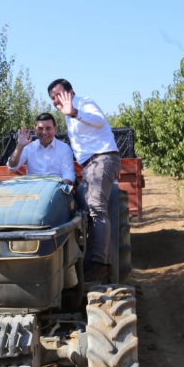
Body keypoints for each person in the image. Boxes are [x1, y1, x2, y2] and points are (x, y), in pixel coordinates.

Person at [48, 78, 121, 280]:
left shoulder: (83, 104)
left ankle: (101, 264)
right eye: (53, 98)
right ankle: (83, 259)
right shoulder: (67, 114)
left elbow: (99, 121)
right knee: (81, 209)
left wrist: (74, 112)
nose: (56, 100)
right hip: (89, 165)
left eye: (59, 95)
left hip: (103, 159)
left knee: (97, 208)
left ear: (71, 92)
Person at [7, 113, 76, 185]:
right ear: (35, 130)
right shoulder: (29, 147)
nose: (44, 132)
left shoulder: (64, 148)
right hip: (32, 191)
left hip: (56, 190)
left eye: (48, 128)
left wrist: (60, 190)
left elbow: (68, 175)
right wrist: (19, 146)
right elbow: (12, 166)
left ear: (55, 129)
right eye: (40, 129)